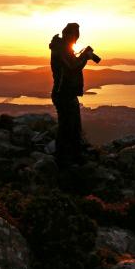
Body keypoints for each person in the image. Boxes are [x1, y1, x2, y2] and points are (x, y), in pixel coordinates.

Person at [49, 22, 96, 166]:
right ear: (68, 34)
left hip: (67, 93)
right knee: (66, 127)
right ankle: (63, 160)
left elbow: (72, 63)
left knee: (74, 127)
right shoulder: (61, 49)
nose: (76, 39)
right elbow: (72, 67)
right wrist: (85, 57)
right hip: (63, 93)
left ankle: (74, 156)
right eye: (75, 36)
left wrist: (82, 56)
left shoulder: (64, 48)